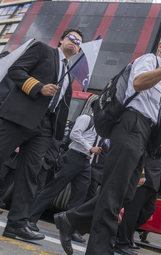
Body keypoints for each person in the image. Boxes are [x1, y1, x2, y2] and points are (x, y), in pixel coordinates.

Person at [53, 34, 161, 255]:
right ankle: (99, 249)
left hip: (142, 132)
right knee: (114, 192)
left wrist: (160, 113)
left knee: (126, 192)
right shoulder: (149, 60)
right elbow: (137, 83)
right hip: (130, 124)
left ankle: (71, 219)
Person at [0, 27, 83, 241]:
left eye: (79, 43)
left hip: (45, 127)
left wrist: (56, 132)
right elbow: (16, 71)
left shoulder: (68, 71)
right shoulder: (42, 50)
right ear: (62, 39)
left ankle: (17, 224)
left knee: (30, 175)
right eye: (72, 39)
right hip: (19, 117)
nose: (75, 43)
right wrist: (38, 87)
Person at [28, 111, 101, 243]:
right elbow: (74, 135)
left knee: (79, 196)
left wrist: (90, 156)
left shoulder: (102, 126)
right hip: (74, 157)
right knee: (53, 189)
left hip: (86, 162)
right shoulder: (86, 118)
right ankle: (30, 219)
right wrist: (90, 147)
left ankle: (70, 229)